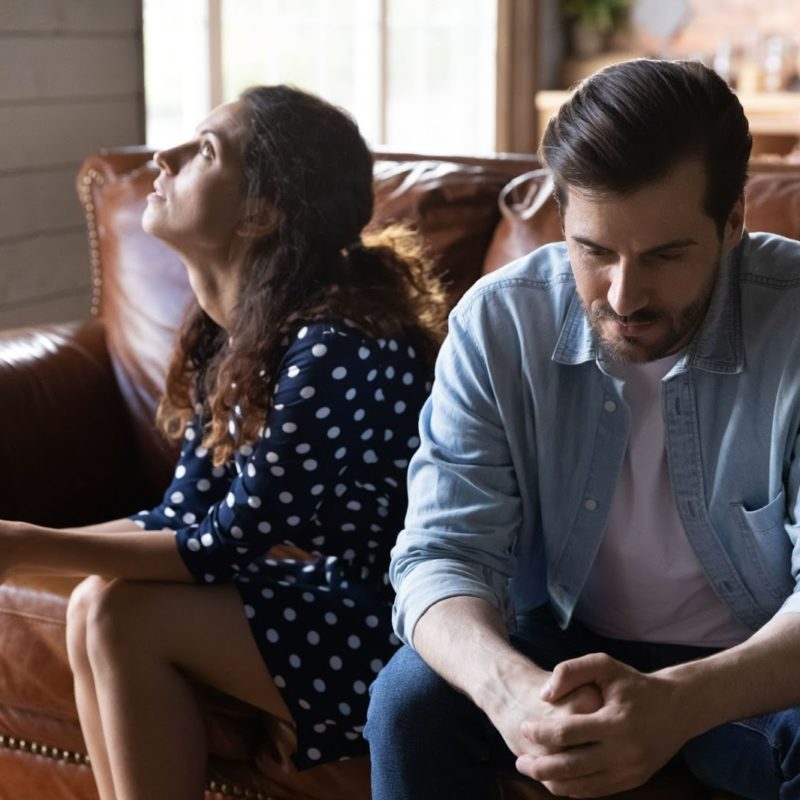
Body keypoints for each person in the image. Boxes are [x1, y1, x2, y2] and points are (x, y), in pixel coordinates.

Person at [365, 58, 800, 800]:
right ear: (561, 219)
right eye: (595, 251)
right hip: (564, 645)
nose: (625, 296)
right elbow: (440, 554)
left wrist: (680, 703)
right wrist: (508, 692)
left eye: (665, 255)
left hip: (754, 667)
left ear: (732, 224)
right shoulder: (500, 322)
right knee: (408, 705)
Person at [0, 85, 447, 799]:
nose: (162, 156)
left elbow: (223, 545)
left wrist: (24, 544)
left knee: (119, 611)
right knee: (97, 602)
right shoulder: (237, 335)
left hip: (405, 632)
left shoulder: (341, 345)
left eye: (204, 150)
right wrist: (21, 551)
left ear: (259, 213)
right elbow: (180, 520)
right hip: (330, 600)